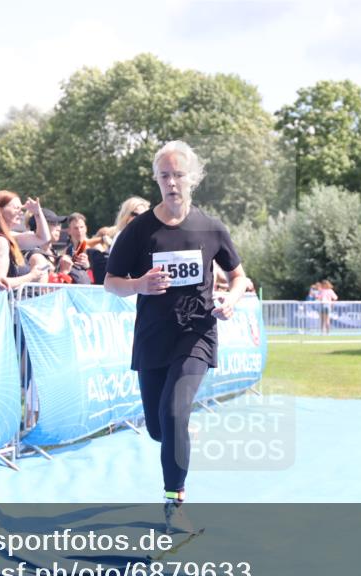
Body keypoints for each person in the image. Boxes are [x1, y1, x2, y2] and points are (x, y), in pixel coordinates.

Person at [104, 140, 247, 534]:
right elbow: (111, 283)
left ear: (192, 179)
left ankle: (174, 508)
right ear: (156, 180)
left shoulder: (210, 227)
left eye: (178, 175)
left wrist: (231, 299)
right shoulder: (138, 231)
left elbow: (239, 275)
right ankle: (178, 433)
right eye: (164, 176)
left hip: (196, 334)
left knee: (173, 414)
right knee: (158, 427)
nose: (171, 183)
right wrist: (139, 285)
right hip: (152, 338)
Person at [61, 213, 92, 284]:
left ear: (86, 228)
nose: (79, 231)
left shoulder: (95, 248)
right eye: (76, 228)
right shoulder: (66, 252)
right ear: (69, 230)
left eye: (81, 227)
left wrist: (88, 266)